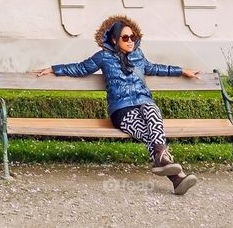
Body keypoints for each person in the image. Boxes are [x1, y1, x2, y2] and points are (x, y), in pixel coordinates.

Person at [33, 15, 201, 194]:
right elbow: (81, 68)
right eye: (125, 38)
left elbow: (154, 68)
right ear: (114, 39)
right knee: (151, 134)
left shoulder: (138, 56)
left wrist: (182, 70)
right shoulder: (104, 57)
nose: (130, 41)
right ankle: (172, 171)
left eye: (133, 37)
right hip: (122, 110)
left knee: (152, 111)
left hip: (144, 102)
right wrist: (54, 68)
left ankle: (170, 171)